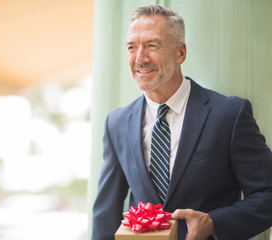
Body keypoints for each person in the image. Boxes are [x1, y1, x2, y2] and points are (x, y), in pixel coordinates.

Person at [92, 4, 272, 240]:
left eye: (152, 45)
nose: (140, 58)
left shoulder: (230, 114)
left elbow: (267, 194)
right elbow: (106, 215)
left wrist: (213, 223)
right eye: (132, 47)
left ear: (180, 53)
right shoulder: (116, 123)